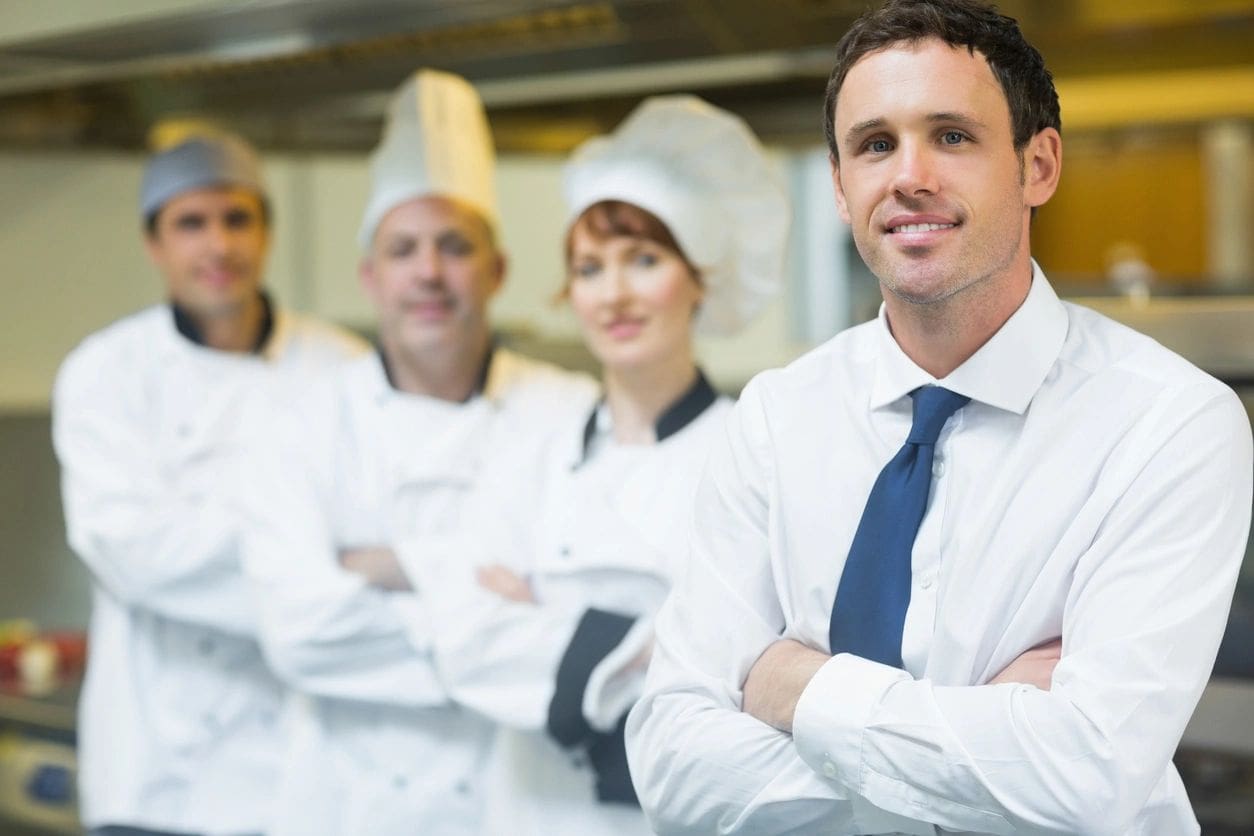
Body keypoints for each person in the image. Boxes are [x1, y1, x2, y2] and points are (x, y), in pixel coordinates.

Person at [626, 1, 1254, 833]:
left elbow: (1086, 775)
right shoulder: (777, 419)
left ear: (1039, 166)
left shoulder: (1169, 424)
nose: (908, 175)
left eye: (952, 136)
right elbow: (672, 765)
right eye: (875, 144)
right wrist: (976, 734)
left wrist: (795, 688)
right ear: (842, 188)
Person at [395, 94, 788, 835]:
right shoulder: (528, 444)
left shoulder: (752, 453)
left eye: (644, 259)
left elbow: (751, 672)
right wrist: (651, 640)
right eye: (588, 268)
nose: (614, 294)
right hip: (523, 814)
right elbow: (463, 636)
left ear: (700, 276)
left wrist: (545, 614)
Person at [238, 68, 598, 835]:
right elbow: (297, 633)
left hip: (516, 804)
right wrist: (494, 612)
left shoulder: (568, 411)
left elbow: (582, 618)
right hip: (340, 809)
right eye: (404, 249)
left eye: (453, 246)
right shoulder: (297, 424)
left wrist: (393, 569)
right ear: (371, 277)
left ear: (496, 270)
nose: (429, 272)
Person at [52, 132, 366, 836]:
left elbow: (382, 533)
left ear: (267, 232)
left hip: (310, 770)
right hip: (162, 776)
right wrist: (318, 564)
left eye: (237, 219)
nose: (218, 246)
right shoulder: (107, 372)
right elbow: (134, 556)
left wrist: (319, 561)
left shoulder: (343, 368)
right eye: (190, 223)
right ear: (153, 244)